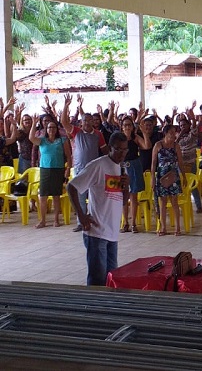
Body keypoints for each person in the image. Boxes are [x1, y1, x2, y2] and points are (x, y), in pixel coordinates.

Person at [67, 132, 129, 286]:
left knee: (110, 279)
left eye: (125, 149)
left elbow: (123, 200)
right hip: (97, 232)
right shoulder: (98, 165)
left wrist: (126, 186)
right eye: (118, 149)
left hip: (112, 233)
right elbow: (72, 187)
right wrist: (81, 216)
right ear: (109, 148)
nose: (122, 153)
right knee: (97, 281)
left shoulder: (122, 168)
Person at [62, 94, 108, 232]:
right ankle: (81, 222)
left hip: (93, 170)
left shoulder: (98, 134)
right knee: (80, 197)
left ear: (93, 122)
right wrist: (66, 105)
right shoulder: (76, 132)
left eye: (89, 120)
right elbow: (64, 122)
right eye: (85, 120)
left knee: (94, 196)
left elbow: (105, 150)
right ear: (81, 122)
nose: (87, 122)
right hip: (79, 169)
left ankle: (95, 220)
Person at [29, 119, 72, 228]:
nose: (51, 129)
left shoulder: (62, 140)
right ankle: (42, 220)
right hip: (45, 170)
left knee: (56, 196)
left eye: (53, 127)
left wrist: (68, 169)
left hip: (58, 169)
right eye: (49, 127)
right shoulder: (42, 141)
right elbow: (31, 138)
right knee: (43, 196)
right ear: (46, 130)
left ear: (57, 129)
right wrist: (34, 123)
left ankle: (56, 220)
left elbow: (68, 155)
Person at [117, 116, 150, 233]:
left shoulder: (135, 138)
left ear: (132, 126)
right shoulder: (119, 139)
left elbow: (146, 146)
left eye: (129, 125)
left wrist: (145, 133)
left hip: (134, 166)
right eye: (125, 125)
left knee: (133, 196)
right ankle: (125, 222)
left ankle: (133, 223)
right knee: (123, 196)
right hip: (122, 167)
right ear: (122, 127)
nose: (127, 127)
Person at [151, 124, 184, 236]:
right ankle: (163, 227)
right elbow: (153, 163)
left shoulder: (176, 146)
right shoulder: (158, 145)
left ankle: (178, 227)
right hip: (161, 176)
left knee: (174, 201)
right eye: (171, 132)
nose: (173, 134)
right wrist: (152, 178)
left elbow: (180, 162)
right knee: (163, 202)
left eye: (174, 132)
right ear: (165, 133)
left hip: (173, 175)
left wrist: (183, 176)